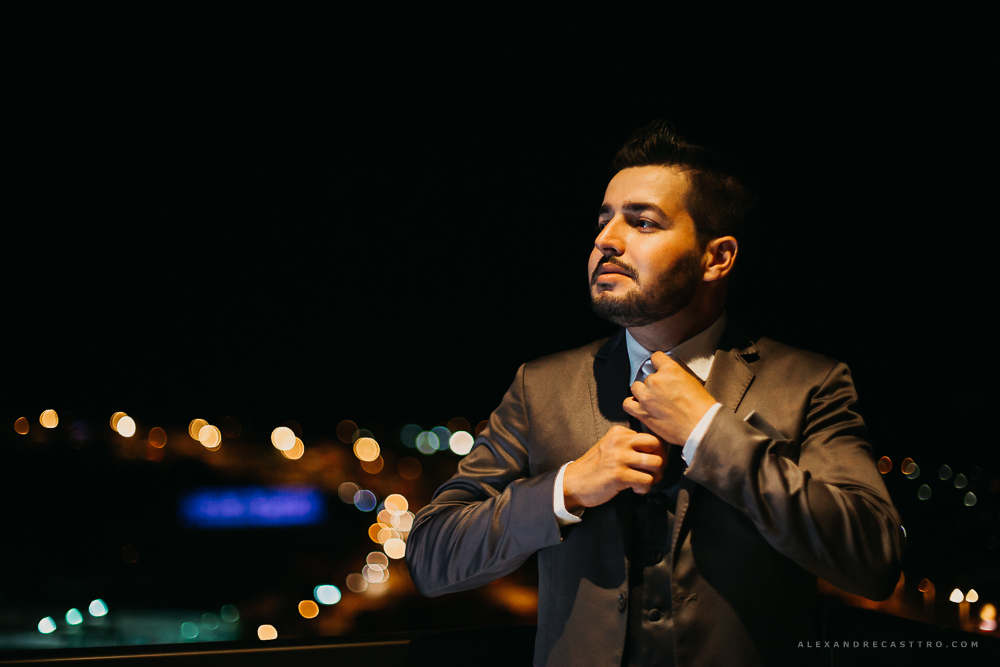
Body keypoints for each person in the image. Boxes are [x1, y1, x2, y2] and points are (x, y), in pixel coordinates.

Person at [405, 120, 905, 667]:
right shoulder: (540, 385)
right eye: (604, 220)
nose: (605, 240)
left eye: (642, 222)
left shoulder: (812, 382)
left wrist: (709, 431)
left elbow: (873, 559)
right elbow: (432, 556)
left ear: (717, 257)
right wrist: (567, 488)